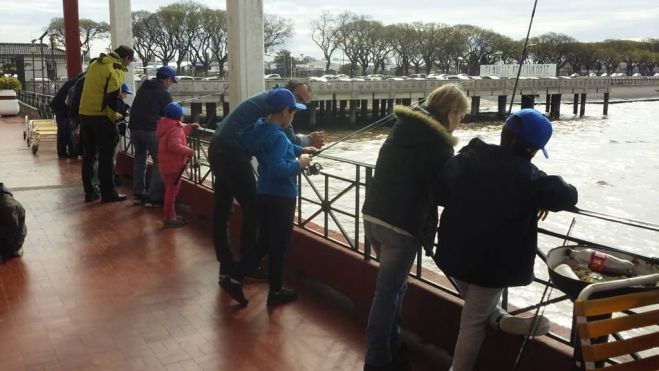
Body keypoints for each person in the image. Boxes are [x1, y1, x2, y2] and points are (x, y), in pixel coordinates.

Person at [434, 109, 578, 371]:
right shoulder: (530, 177)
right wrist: (540, 195)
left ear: (505, 132)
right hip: (492, 267)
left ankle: (498, 319)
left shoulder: (472, 155)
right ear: (532, 149)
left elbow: (441, 190)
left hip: (452, 254)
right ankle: (487, 331)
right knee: (473, 322)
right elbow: (567, 195)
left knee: (476, 308)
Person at [361, 84, 469, 371]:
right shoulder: (439, 144)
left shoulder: (403, 127)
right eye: (462, 116)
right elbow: (444, 191)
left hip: (373, 215)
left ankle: (392, 345)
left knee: (394, 288)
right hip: (400, 225)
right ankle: (377, 359)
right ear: (452, 112)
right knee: (387, 293)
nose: (461, 123)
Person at [208, 80, 324, 280]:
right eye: (298, 99)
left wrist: (302, 143)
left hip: (218, 147)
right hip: (231, 154)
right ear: (288, 97)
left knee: (222, 209)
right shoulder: (277, 105)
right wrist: (307, 142)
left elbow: (277, 138)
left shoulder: (269, 98)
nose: (297, 106)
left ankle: (227, 266)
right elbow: (286, 139)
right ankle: (246, 267)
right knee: (253, 209)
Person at [78, 45, 134, 203]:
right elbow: (111, 98)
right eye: (130, 61)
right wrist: (114, 116)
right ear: (126, 58)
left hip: (85, 114)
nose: (128, 65)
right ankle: (108, 194)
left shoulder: (95, 63)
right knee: (106, 158)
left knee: (88, 156)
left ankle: (89, 192)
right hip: (101, 117)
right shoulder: (116, 69)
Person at [129, 66, 177, 207]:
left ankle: (138, 194)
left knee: (139, 160)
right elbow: (170, 115)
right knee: (159, 161)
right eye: (171, 81)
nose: (171, 84)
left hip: (135, 130)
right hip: (151, 131)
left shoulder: (143, 88)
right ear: (167, 79)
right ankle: (154, 197)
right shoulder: (164, 94)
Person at [155, 103, 199, 228]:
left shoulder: (167, 125)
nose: (184, 117)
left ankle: (171, 215)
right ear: (178, 117)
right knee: (171, 193)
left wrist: (189, 127)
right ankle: (169, 219)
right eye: (182, 114)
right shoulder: (175, 128)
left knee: (169, 191)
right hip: (173, 166)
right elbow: (174, 145)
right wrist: (190, 151)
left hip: (166, 165)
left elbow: (179, 132)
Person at [50, 73, 83, 158]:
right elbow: (74, 98)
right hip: (62, 106)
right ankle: (64, 152)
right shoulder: (79, 82)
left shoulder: (76, 80)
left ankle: (69, 152)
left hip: (61, 105)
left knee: (66, 129)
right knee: (64, 129)